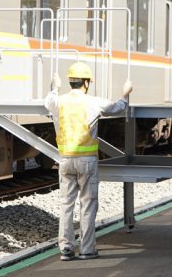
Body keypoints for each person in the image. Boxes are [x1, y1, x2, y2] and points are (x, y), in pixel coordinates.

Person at [44, 61, 133, 261]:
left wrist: (55, 85)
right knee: (88, 204)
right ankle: (87, 249)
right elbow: (117, 107)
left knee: (66, 204)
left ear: (70, 82)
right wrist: (126, 93)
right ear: (86, 83)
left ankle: (66, 249)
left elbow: (48, 99)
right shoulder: (92, 102)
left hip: (65, 160)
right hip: (87, 162)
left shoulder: (59, 101)